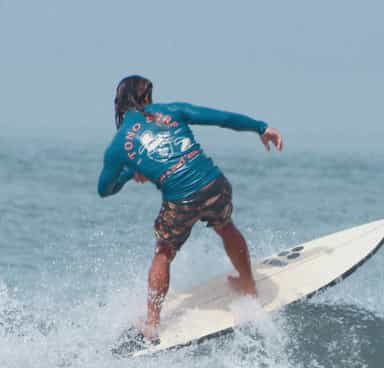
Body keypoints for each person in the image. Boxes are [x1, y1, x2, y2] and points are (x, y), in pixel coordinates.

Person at [97, 75, 283, 341]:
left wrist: (130, 173)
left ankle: (151, 323)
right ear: (147, 96)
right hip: (214, 184)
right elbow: (222, 119)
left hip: (180, 200)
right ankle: (249, 286)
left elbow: (104, 190)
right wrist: (261, 127)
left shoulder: (118, 146)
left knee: (164, 252)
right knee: (225, 226)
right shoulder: (172, 110)